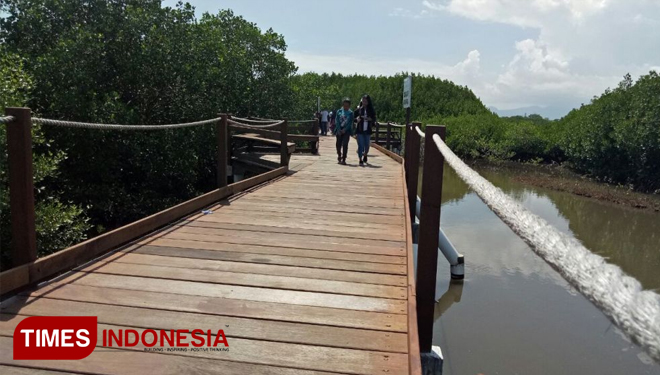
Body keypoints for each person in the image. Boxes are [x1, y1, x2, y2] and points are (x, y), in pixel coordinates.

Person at [355, 94, 376, 166]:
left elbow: (374, 119)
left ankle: (365, 154)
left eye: (365, 101)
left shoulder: (371, 110)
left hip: (367, 130)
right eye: (363, 100)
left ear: (368, 101)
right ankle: (360, 159)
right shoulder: (358, 109)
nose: (364, 102)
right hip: (360, 129)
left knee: (367, 145)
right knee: (360, 145)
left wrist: (370, 119)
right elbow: (353, 118)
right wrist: (356, 120)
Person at [334, 98, 354, 165]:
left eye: (347, 105)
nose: (346, 107)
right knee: (338, 145)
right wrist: (339, 129)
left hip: (346, 131)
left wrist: (345, 130)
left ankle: (344, 159)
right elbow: (337, 121)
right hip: (339, 129)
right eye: (344, 105)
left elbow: (350, 123)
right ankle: (339, 155)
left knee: (345, 144)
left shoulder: (351, 113)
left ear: (349, 106)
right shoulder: (339, 111)